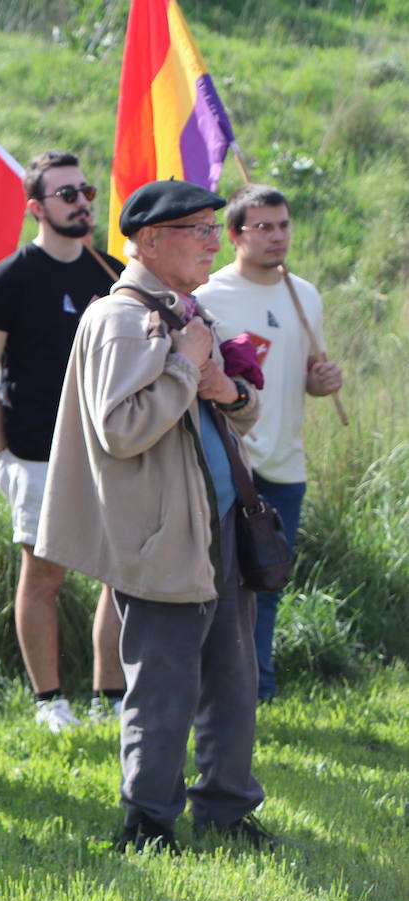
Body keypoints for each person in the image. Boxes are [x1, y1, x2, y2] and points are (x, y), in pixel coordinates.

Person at [37, 179, 275, 853]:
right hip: (161, 536)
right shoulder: (119, 319)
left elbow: (236, 404)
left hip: (218, 527)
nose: (212, 241)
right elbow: (121, 428)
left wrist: (225, 386)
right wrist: (182, 365)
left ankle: (228, 811)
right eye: (197, 229)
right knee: (164, 685)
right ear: (147, 241)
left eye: (212, 228)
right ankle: (149, 823)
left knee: (233, 679)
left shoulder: (185, 310)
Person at [0, 151, 126, 731]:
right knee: (45, 577)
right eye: (67, 194)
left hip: (110, 450)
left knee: (118, 573)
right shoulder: (11, 277)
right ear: (36, 208)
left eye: (85, 190)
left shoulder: (111, 273)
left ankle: (110, 698)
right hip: (36, 454)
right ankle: (49, 701)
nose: (82, 201)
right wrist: (3, 454)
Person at [196, 184, 342, 702]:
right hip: (230, 459)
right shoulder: (209, 295)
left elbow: (304, 377)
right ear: (235, 235)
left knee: (268, 575)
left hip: (286, 461)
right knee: (218, 580)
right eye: (264, 227)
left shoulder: (304, 295)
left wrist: (322, 381)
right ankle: (220, 687)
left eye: (284, 225)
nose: (278, 236)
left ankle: (259, 687)